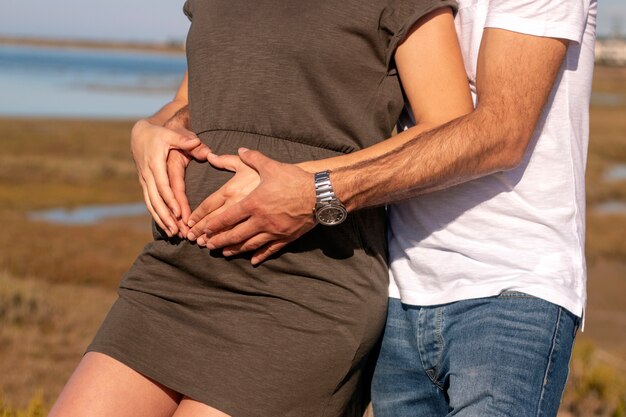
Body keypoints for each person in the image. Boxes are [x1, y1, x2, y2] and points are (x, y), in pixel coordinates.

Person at [145, 0, 596, 415]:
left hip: (508, 290)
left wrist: (314, 191)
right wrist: (154, 127)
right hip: (399, 287)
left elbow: (502, 133)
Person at [48, 1, 473, 417]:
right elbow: (192, 104)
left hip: (302, 286)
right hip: (174, 271)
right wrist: (147, 132)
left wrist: (307, 186)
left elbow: (451, 128)